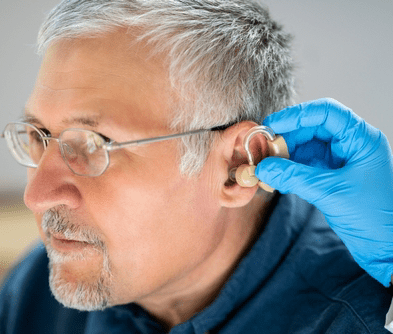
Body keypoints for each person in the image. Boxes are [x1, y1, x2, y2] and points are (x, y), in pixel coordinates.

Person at [1, 0, 392, 333]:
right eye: (39, 135)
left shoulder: (357, 318)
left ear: (237, 167)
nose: (36, 196)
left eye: (92, 145)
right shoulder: (36, 287)